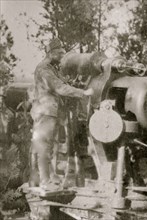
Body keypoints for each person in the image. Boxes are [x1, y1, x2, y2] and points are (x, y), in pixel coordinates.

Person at [30, 38, 94, 189]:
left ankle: (50, 178)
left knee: (49, 146)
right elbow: (60, 88)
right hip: (45, 112)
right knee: (44, 147)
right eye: (58, 53)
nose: (61, 56)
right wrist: (83, 92)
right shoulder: (44, 69)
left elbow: (63, 82)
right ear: (51, 53)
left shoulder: (52, 68)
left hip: (50, 112)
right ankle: (45, 182)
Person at [0, 86, 16, 161]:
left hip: (5, 146)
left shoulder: (10, 114)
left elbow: (13, 131)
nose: (0, 100)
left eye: (2, 98)